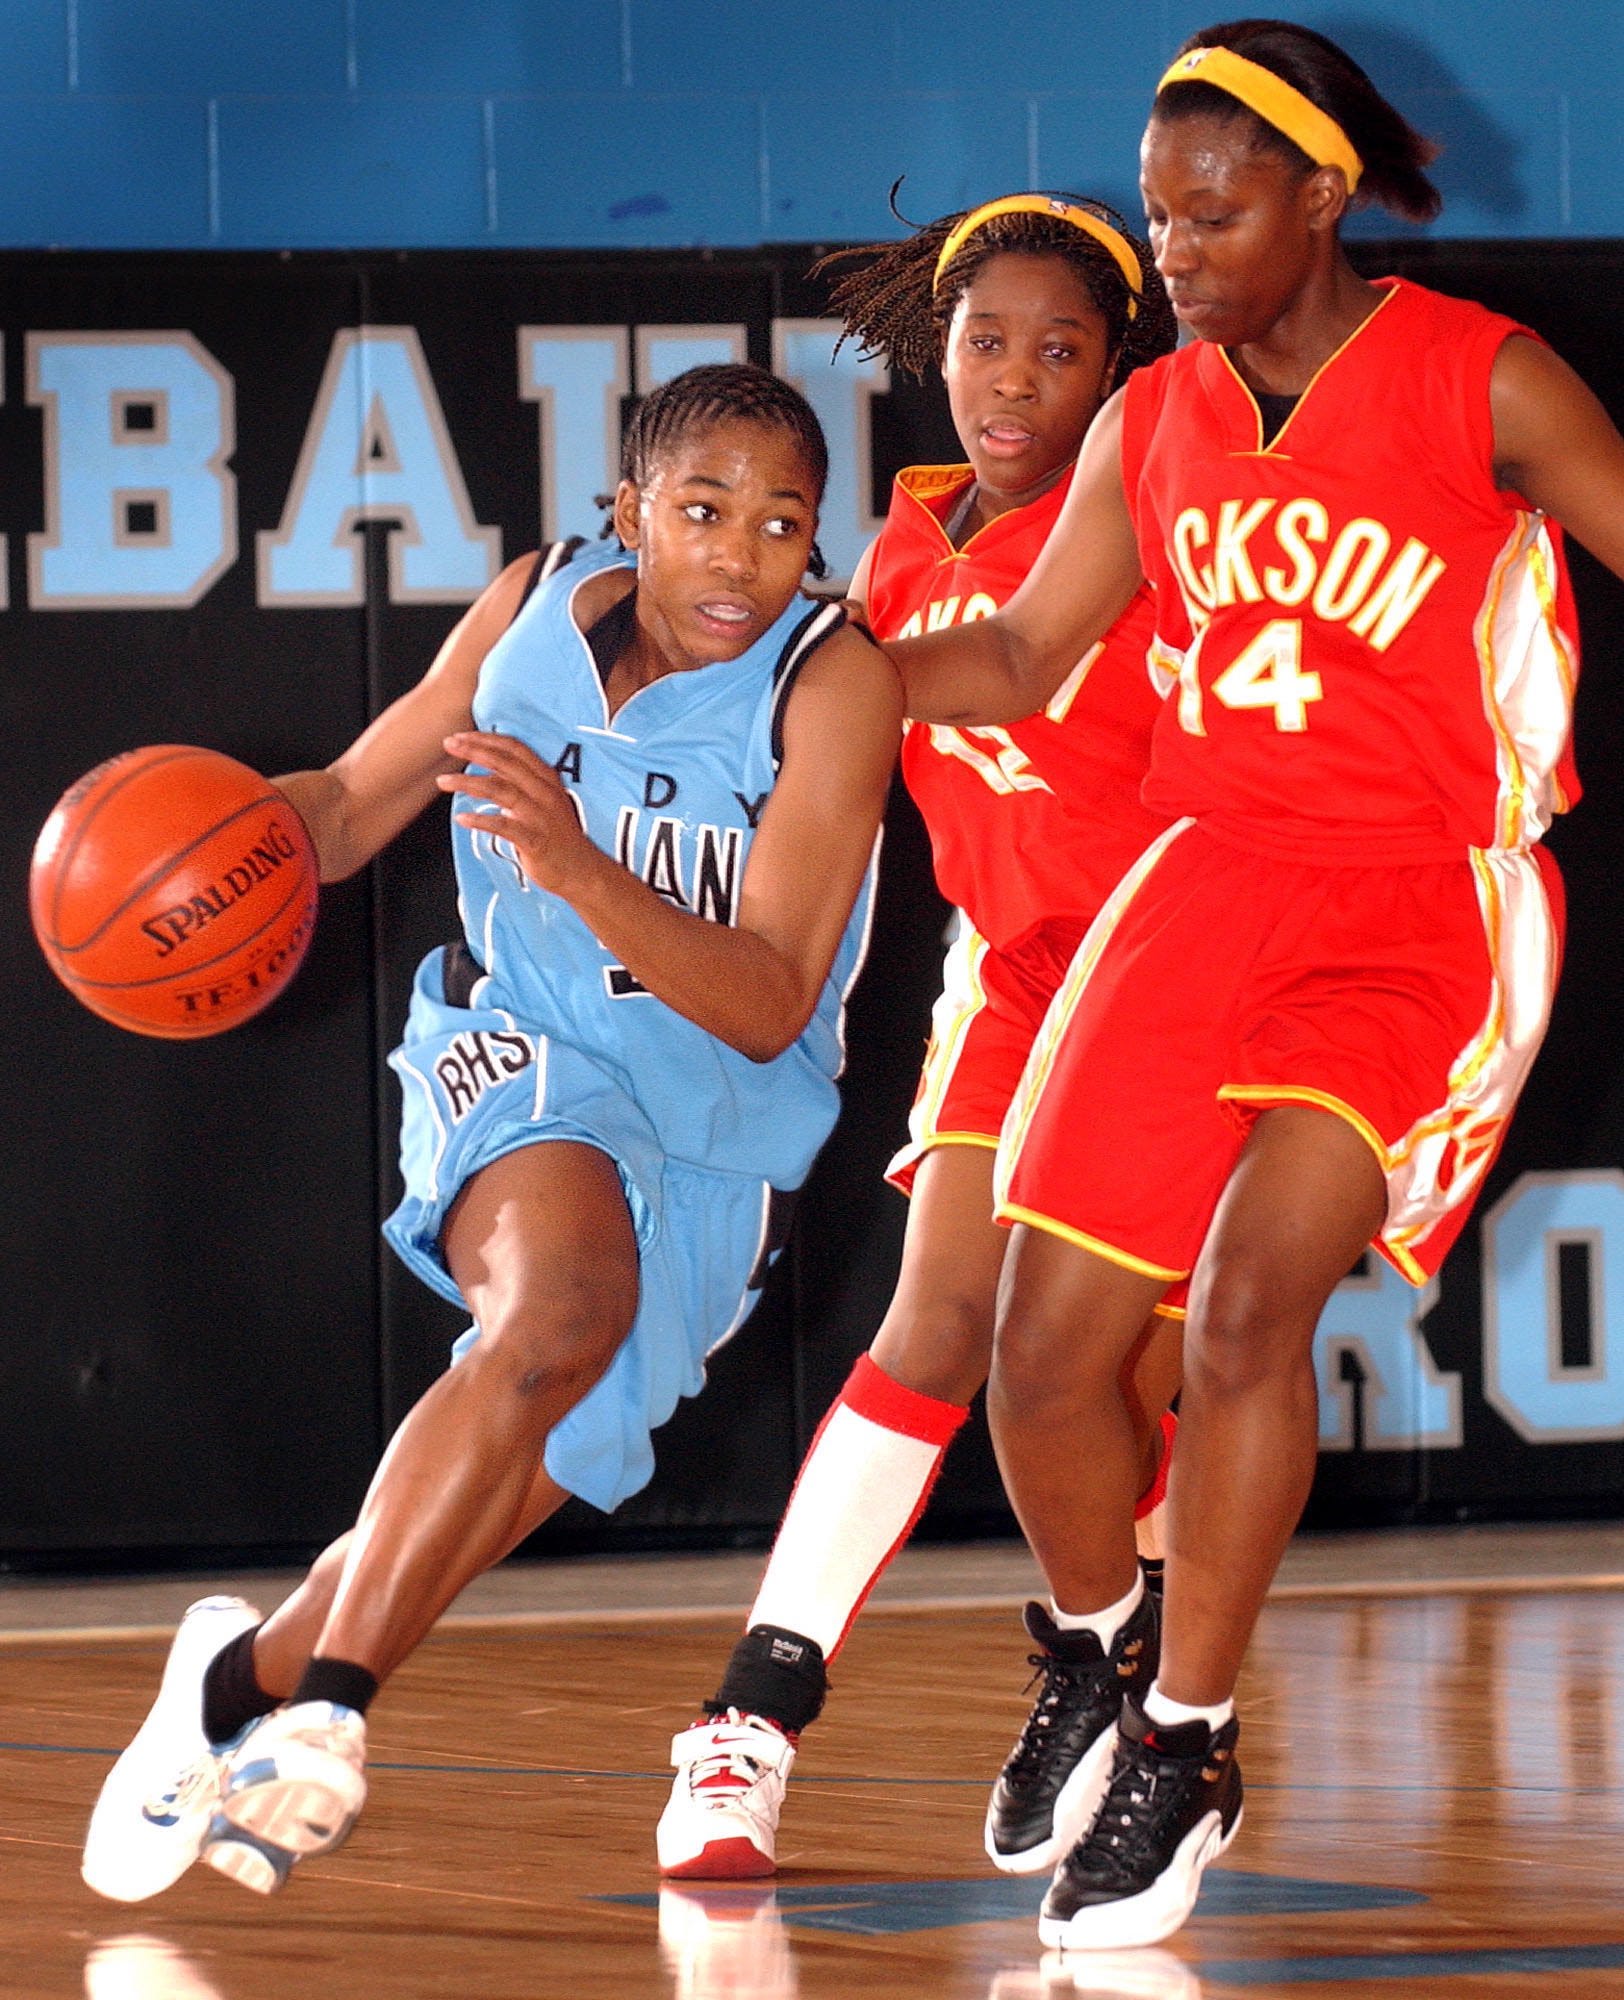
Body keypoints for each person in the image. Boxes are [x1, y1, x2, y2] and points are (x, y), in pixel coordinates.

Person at [875, 16, 1624, 1951]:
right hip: (1196, 888)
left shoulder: (1487, 378)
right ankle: (1104, 1653)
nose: (1179, 254)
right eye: (1159, 217)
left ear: (1320, 196)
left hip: (1413, 903)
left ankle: (1190, 1739)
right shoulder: (1156, 417)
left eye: (1215, 215)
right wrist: (820, 670)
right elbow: (1028, 657)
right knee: (1042, 1354)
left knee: (1238, 1313)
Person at [80, 363, 903, 1904]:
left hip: (721, 1120)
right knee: (555, 1315)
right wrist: (193, 851)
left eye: (783, 525)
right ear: (628, 513)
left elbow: (770, 996)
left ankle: (235, 1687)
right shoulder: (532, 609)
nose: (740, 557)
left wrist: (581, 862)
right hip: (520, 1046)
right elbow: (340, 806)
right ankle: (324, 1726)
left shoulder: (831, 680)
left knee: (491, 1487)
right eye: (704, 512)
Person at [656, 194, 1186, 1883]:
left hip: (1175, 974)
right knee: (939, 1316)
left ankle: (1119, 1665)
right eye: (985, 339)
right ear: (930, 348)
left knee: (1116, 1383)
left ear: (1121, 370)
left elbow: (1004, 672)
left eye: (1063, 347)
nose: (1016, 378)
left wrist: (825, 667)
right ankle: (752, 1719)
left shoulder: (1159, 517)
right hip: (1014, 973)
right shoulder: (889, 551)